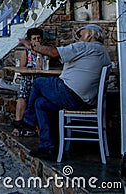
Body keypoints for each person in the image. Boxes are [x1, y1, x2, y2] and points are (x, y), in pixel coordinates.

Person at [18, 24, 111, 160]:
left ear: (89, 36)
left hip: (71, 95)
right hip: (86, 101)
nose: (78, 38)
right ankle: (47, 147)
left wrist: (32, 46)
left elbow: (55, 53)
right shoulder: (103, 52)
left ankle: (28, 121)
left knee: (38, 82)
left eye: (80, 35)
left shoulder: (85, 46)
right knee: (40, 103)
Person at [12, 27, 44, 137]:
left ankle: (35, 126)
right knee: (22, 97)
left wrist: (39, 53)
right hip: (27, 79)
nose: (37, 41)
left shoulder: (45, 52)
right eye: (34, 39)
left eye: (39, 38)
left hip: (40, 79)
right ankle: (18, 124)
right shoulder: (26, 52)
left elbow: (44, 67)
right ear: (30, 41)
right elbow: (22, 69)